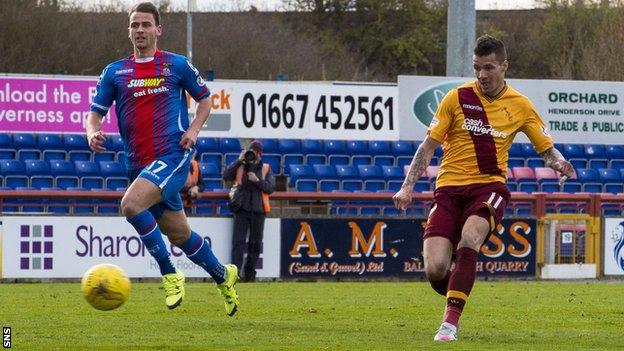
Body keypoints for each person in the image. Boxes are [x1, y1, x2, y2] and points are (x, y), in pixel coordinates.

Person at [393, 34, 575, 342]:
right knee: (435, 269)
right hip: (448, 189)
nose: (482, 75)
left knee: (470, 238)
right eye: (477, 67)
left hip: (489, 187)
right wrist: (407, 187)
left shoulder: (520, 105)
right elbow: (427, 147)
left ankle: (449, 324)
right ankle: (458, 287)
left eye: (489, 68)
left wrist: (558, 162)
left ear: (505, 66)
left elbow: (545, 148)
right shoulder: (456, 98)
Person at [85, 2, 239, 316]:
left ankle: (170, 273)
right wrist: (91, 133)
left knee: (130, 205)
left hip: (173, 156)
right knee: (179, 234)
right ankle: (224, 275)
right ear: (129, 31)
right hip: (138, 165)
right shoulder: (115, 71)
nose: (139, 30)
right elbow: (95, 115)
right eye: (134, 25)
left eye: (145, 24)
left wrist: (194, 130)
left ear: (158, 29)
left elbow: (205, 100)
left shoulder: (177, 65)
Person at [223, 140, 275, 282]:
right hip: (241, 208)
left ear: (260, 154)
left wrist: (257, 180)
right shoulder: (241, 165)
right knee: (238, 242)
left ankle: (250, 274)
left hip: (259, 210)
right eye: (251, 152)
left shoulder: (265, 168)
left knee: (256, 243)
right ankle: (235, 274)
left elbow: (270, 188)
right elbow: (226, 176)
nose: (253, 155)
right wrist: (239, 161)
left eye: (256, 152)